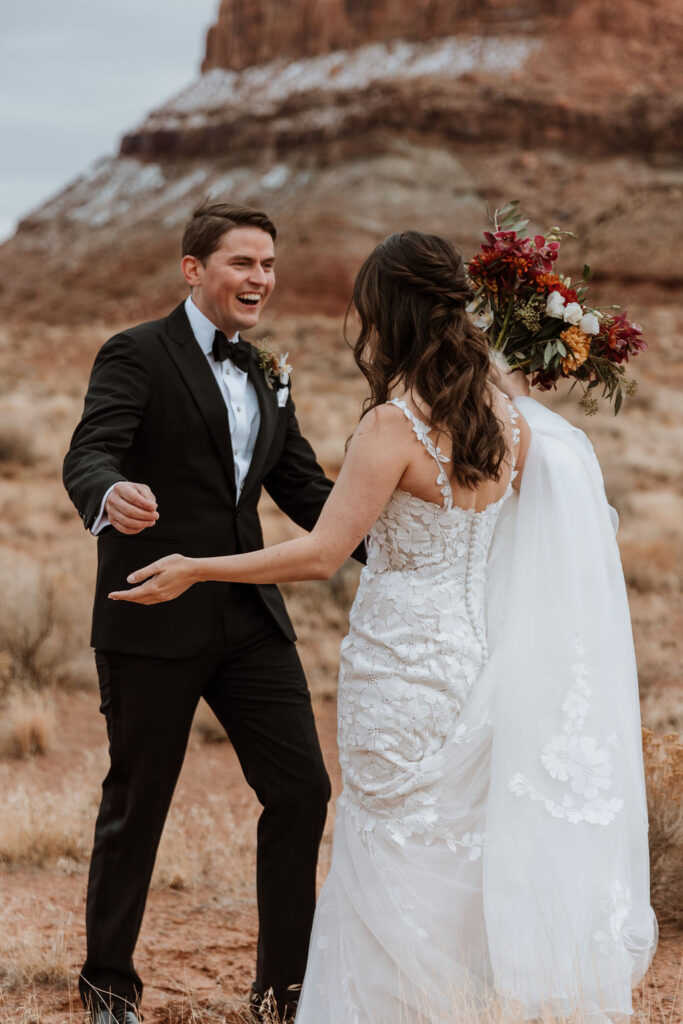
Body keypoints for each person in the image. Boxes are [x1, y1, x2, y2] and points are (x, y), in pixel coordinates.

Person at [111, 231, 656, 1023]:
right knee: (457, 842)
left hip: (399, 666)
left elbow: (323, 554)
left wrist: (197, 567)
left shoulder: (391, 427)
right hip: (475, 656)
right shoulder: (512, 421)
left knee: (389, 845)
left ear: (388, 315)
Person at [63, 200, 364, 1024]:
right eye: (242, 262)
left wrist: (397, 548)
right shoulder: (136, 353)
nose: (258, 279)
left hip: (249, 621)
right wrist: (107, 492)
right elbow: (90, 449)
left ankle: (283, 989)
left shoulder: (268, 369)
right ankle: (108, 989)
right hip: (152, 611)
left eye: (267, 264)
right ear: (193, 269)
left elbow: (301, 487)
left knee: (302, 790)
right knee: (139, 802)